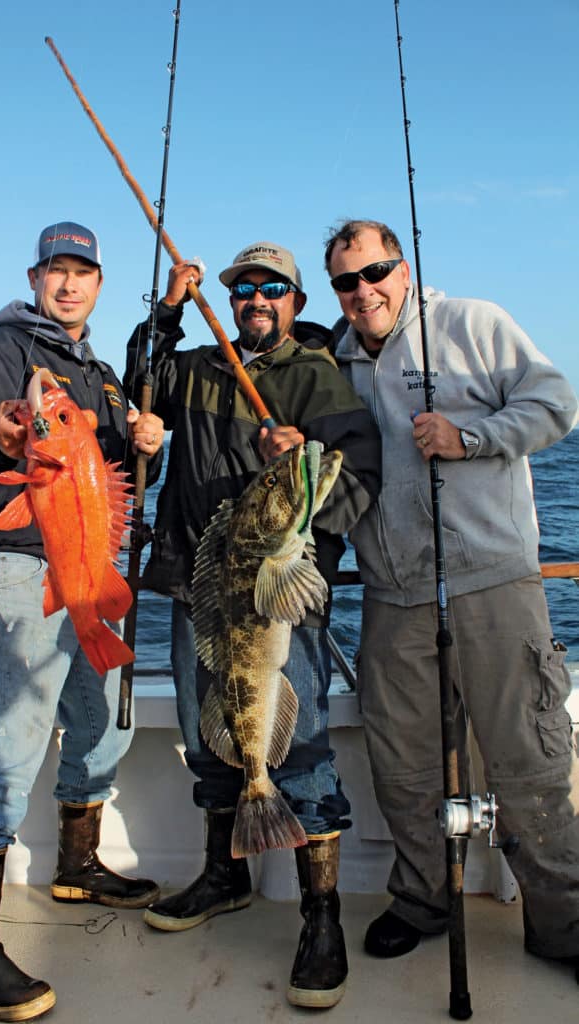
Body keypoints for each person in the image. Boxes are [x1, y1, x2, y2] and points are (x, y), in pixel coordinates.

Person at [124, 240, 381, 1009]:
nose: (255, 300)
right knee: (214, 739)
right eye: (243, 290)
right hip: (195, 587)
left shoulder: (317, 379)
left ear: (297, 303)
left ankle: (322, 918)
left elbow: (359, 484)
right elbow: (139, 380)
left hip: (278, 595)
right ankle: (223, 875)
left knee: (296, 749)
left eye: (273, 289)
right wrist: (169, 308)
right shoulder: (199, 367)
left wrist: (303, 457)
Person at [325, 218, 579, 981]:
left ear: (403, 268)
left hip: (494, 582)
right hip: (390, 594)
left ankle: (563, 918)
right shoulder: (331, 365)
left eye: (377, 272)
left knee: (528, 757)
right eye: (347, 281)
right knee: (403, 763)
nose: (364, 291)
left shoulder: (473, 323)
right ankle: (423, 898)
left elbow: (556, 405)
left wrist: (470, 437)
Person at [0, 221, 165, 1021]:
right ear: (35, 276)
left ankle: (78, 864)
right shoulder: (2, 347)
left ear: (98, 284)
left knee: (102, 721)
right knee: (9, 738)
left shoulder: (99, 375)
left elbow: (116, 478)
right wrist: (2, 431)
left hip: (87, 568)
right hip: (22, 564)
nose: (69, 285)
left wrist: (148, 440)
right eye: (56, 271)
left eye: (83, 273)